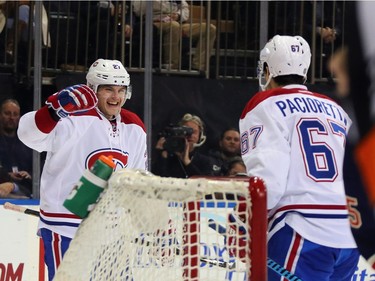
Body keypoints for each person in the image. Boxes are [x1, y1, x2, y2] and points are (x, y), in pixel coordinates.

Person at [239, 35, 359, 280]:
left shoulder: (265, 103)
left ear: (268, 69)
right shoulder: (336, 108)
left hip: (304, 231)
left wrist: (244, 220)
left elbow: (268, 181)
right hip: (350, 233)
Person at [17, 58, 148, 280]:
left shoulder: (134, 126)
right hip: (67, 227)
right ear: (92, 89)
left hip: (112, 231)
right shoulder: (70, 118)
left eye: (121, 90)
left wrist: (150, 225)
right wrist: (52, 111)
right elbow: (28, 135)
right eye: (108, 89)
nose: (116, 97)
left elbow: (137, 181)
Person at [132, 0, 216, 71]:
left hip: (176, 22)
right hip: (154, 22)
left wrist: (178, 15)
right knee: (174, 26)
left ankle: (199, 66)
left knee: (210, 28)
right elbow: (137, 9)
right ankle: (172, 65)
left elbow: (185, 9)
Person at [153, 113, 217, 178]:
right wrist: (161, 156)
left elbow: (204, 184)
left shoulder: (205, 161)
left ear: (200, 136)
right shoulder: (169, 158)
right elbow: (157, 179)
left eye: (194, 132)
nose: (190, 135)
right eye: (186, 131)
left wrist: (187, 162)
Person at [0, 98, 32, 198]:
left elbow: (38, 168)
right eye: (7, 113)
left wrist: (29, 174)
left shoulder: (28, 142)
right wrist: (8, 175)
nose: (11, 117)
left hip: (24, 191)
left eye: (15, 114)